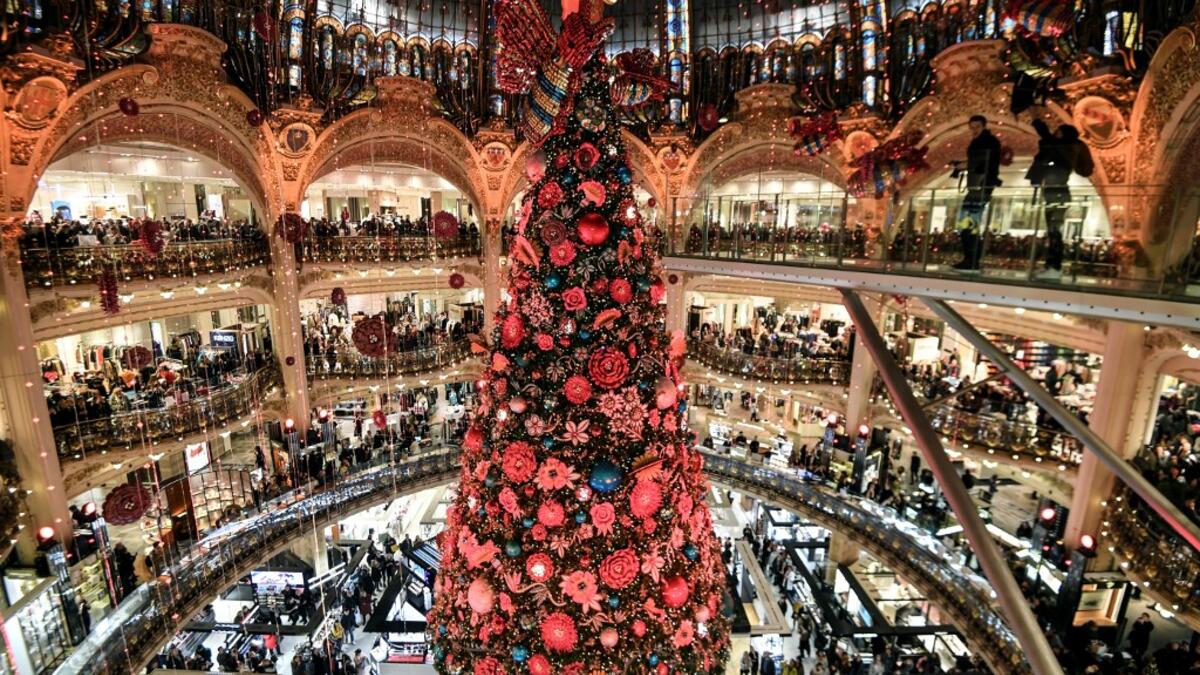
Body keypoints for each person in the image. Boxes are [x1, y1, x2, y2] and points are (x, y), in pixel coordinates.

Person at [1027, 118, 1094, 280]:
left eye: (1058, 132)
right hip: (1056, 192)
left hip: (1056, 193)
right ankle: (1051, 265)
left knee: (1055, 232)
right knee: (1053, 232)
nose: (1055, 134)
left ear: (1063, 134)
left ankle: (1055, 266)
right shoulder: (1066, 149)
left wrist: (1038, 120)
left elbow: (1046, 136)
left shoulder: (1063, 148)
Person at [953, 115, 1003, 273]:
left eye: (977, 127)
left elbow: (981, 161)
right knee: (969, 224)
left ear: (983, 126)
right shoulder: (988, 141)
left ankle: (971, 260)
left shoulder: (986, 142)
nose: (974, 130)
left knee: (967, 224)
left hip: (980, 186)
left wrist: (964, 165)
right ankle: (971, 259)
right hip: (980, 185)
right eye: (972, 127)